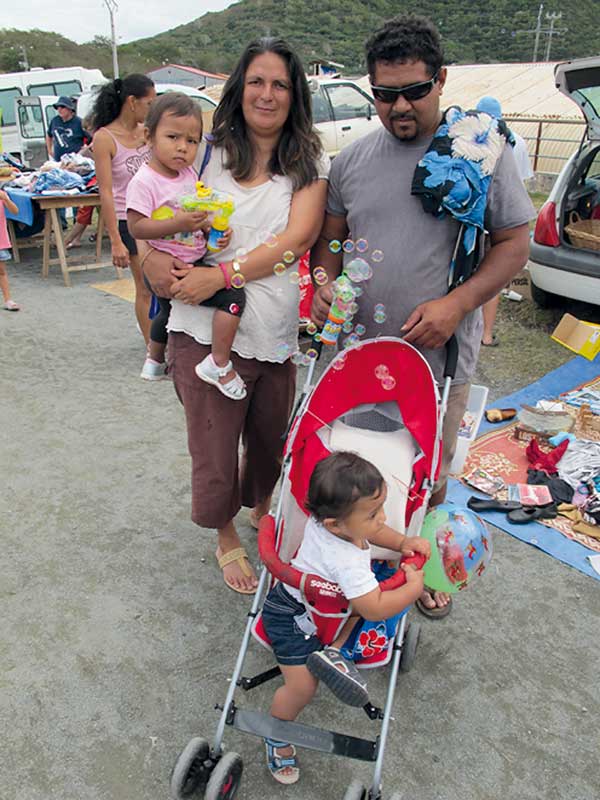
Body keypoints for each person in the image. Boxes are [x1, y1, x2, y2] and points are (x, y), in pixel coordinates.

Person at [310, 15, 534, 618]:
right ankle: (351, 573)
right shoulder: (353, 160)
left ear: (441, 80)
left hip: (440, 357)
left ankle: (424, 568)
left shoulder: (477, 153)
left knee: (428, 474)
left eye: (414, 90)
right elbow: (330, 241)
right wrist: (324, 285)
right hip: (354, 355)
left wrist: (457, 304)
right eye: (385, 94)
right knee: (349, 469)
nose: (400, 106)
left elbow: (515, 244)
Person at [142, 37, 329, 594]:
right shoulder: (205, 151)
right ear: (238, 89)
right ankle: (224, 532)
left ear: (295, 95)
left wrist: (222, 275)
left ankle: (260, 502)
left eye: (279, 84)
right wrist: (150, 259)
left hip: (271, 327)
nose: (266, 94)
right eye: (256, 82)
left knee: (270, 439)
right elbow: (151, 209)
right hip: (202, 324)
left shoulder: (309, 162)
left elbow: (298, 239)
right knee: (215, 446)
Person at [261, 451, 430, 784]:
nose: (382, 518)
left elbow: (372, 533)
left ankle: (334, 651)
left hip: (328, 608)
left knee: (353, 608)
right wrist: (413, 589)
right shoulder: (347, 562)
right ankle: (277, 735)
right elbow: (374, 607)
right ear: (335, 525)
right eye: (374, 514)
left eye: (381, 508)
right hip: (295, 618)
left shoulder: (332, 521)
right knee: (302, 687)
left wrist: (402, 542)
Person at [126, 93, 240, 386]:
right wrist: (177, 223)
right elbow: (136, 227)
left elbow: (195, 217)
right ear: (149, 136)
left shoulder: (188, 174)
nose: (182, 147)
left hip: (190, 258)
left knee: (167, 310)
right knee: (234, 297)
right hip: (168, 266)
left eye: (191, 141)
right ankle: (218, 362)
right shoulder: (144, 181)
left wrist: (212, 231)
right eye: (173, 137)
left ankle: (154, 361)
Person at [91, 74, 157, 350]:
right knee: (145, 288)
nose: (152, 108)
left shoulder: (147, 132)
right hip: (127, 219)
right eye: (149, 103)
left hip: (158, 217)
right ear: (132, 102)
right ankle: (153, 350)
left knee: (163, 285)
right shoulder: (104, 138)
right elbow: (105, 192)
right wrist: (115, 241)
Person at [476, 96, 534, 347]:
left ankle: (476, 331)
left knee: (473, 278)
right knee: (493, 279)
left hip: (480, 221)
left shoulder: (472, 139)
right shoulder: (515, 140)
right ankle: (486, 334)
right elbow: (522, 181)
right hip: (506, 220)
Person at [46, 96, 90, 164]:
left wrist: (85, 149)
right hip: (58, 161)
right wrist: (49, 150)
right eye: (58, 107)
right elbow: (49, 135)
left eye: (62, 107)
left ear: (70, 109)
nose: (59, 110)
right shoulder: (54, 121)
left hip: (74, 162)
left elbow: (92, 138)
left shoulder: (79, 122)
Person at [0, 188, 20, 310]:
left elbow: (15, 211)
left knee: (1, 271)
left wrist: (6, 199)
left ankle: (8, 300)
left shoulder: (2, 194)